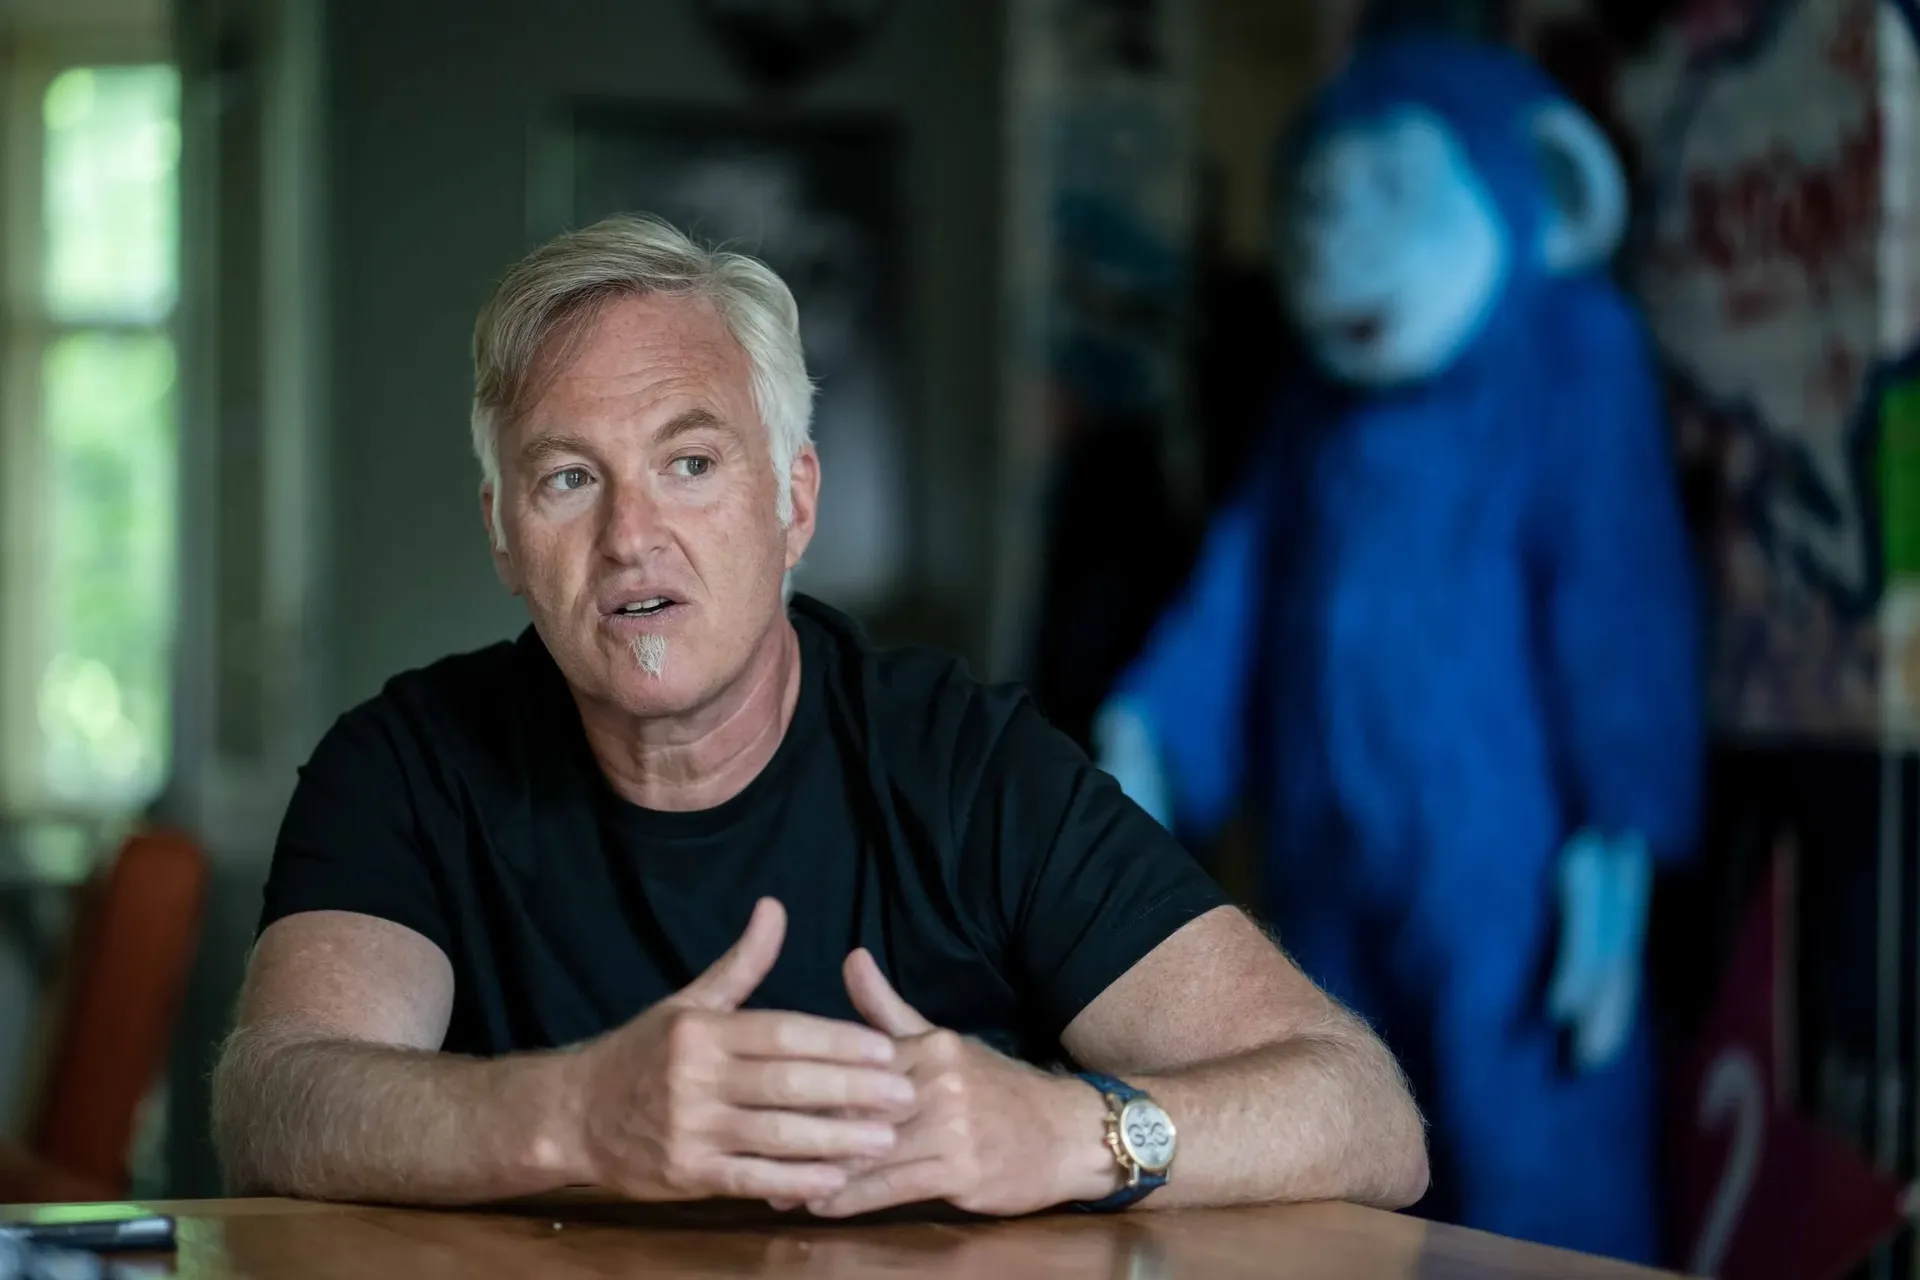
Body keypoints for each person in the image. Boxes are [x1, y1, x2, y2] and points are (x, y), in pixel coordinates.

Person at [210, 214, 1428, 1219]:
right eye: (568, 477)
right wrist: (572, 1114)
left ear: (793, 502)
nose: (632, 535)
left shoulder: (966, 765)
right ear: (502, 534)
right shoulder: (404, 766)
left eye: (692, 463)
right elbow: (275, 1102)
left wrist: (1075, 1130)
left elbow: (1365, 1113)